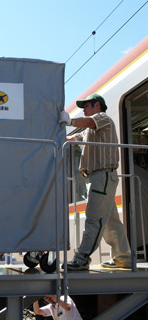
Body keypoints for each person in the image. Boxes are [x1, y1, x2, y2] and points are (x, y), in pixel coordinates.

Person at [59, 93, 131, 271]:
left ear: (97, 106)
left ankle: (81, 258)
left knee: (94, 219)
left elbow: (88, 122)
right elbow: (73, 139)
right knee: (110, 221)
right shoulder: (90, 130)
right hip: (99, 178)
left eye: (87, 106)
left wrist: (69, 121)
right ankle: (124, 258)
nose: (84, 110)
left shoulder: (102, 118)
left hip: (102, 176)